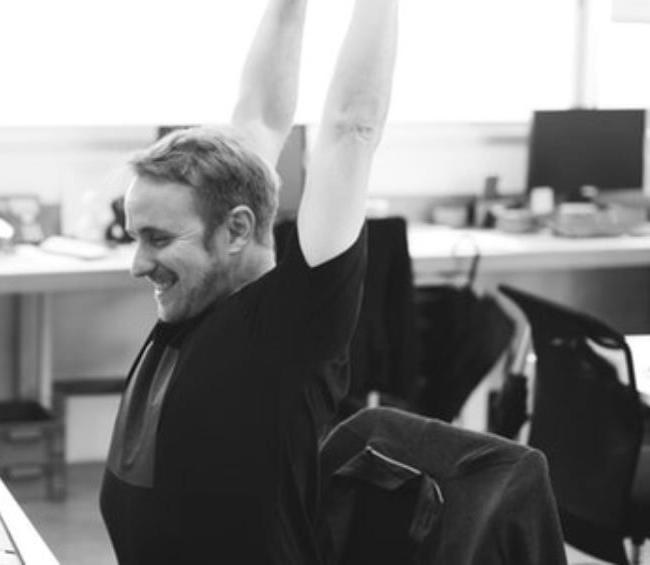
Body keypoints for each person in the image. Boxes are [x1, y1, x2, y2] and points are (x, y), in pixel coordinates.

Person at [98, 0, 398, 562]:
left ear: (236, 229)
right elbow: (259, 116)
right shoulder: (203, 297)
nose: (137, 264)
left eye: (158, 239)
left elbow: (351, 128)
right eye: (135, 237)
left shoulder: (289, 325)